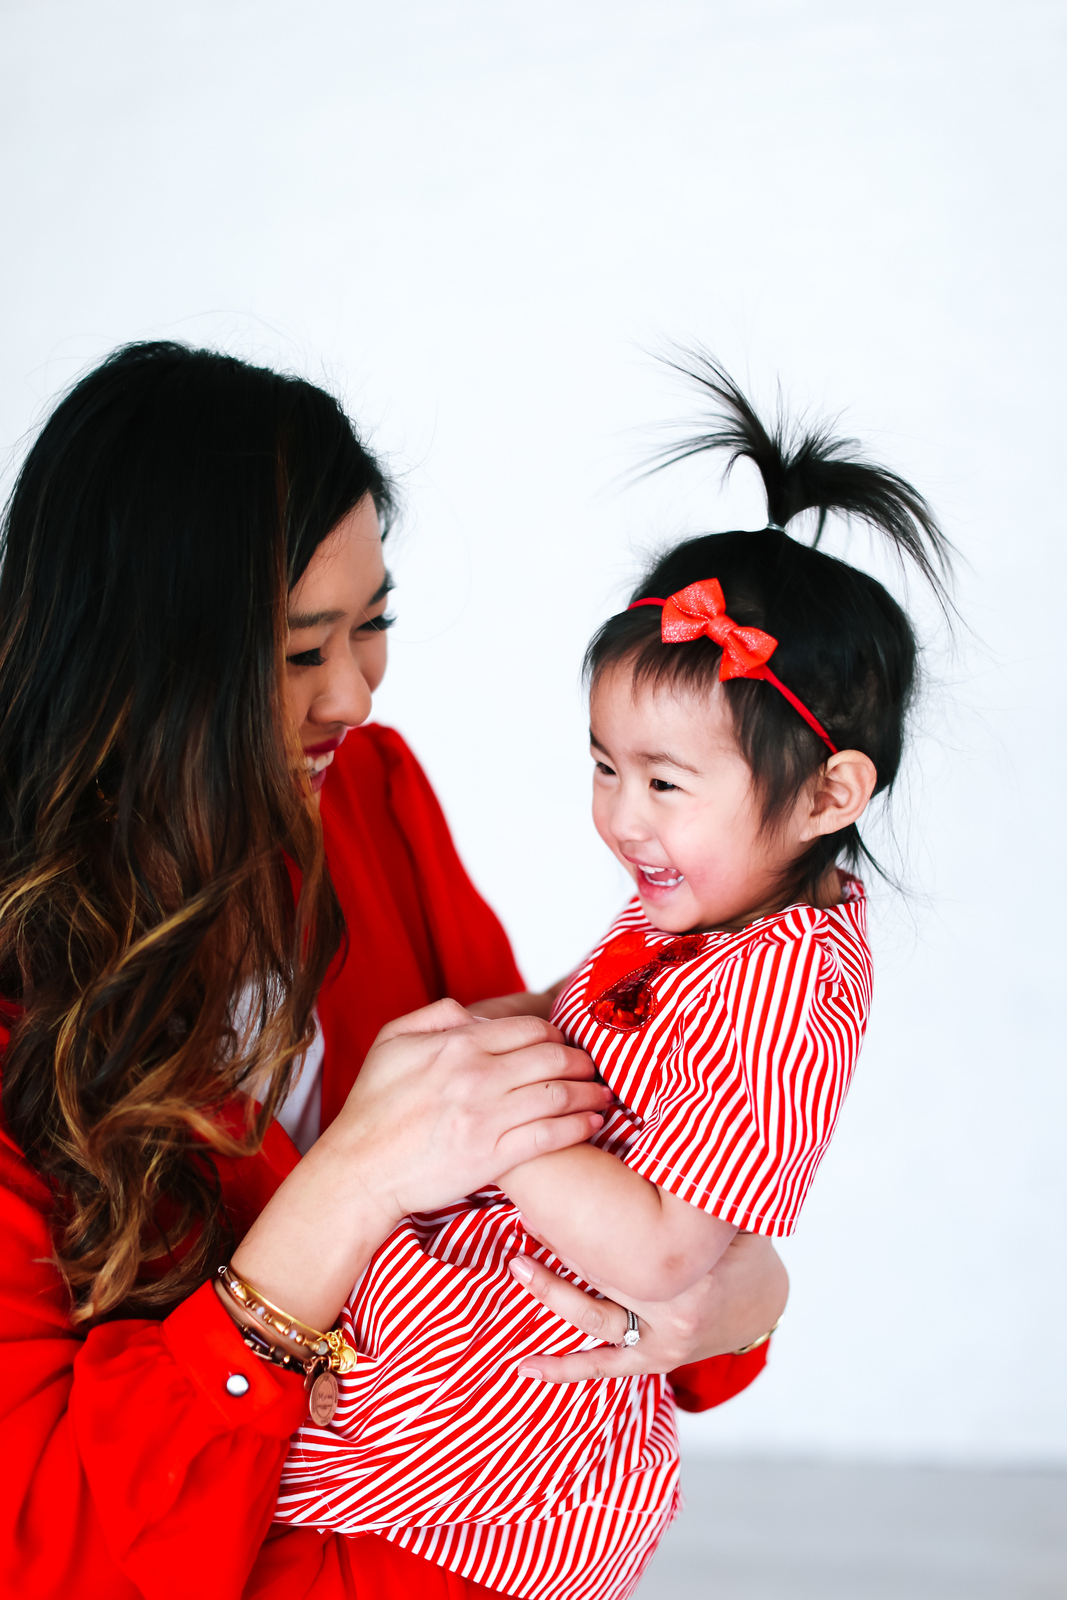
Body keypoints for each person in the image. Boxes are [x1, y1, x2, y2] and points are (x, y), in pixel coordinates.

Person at [0, 342, 788, 1600]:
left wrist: (725, 1283)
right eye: (303, 650)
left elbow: (595, 1164)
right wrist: (351, 1184)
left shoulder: (369, 798)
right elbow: (47, 1548)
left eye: (373, 629)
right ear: (136, 663)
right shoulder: (19, 1003)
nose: (356, 694)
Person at [271, 358, 952, 1600]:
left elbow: (663, 1253)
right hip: (444, 1403)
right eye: (602, 767)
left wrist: (475, 1125)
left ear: (830, 792)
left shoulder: (779, 988)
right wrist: (474, 1030)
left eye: (662, 782)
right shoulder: (697, 923)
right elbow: (570, 1019)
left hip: (502, 1474)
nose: (619, 820)